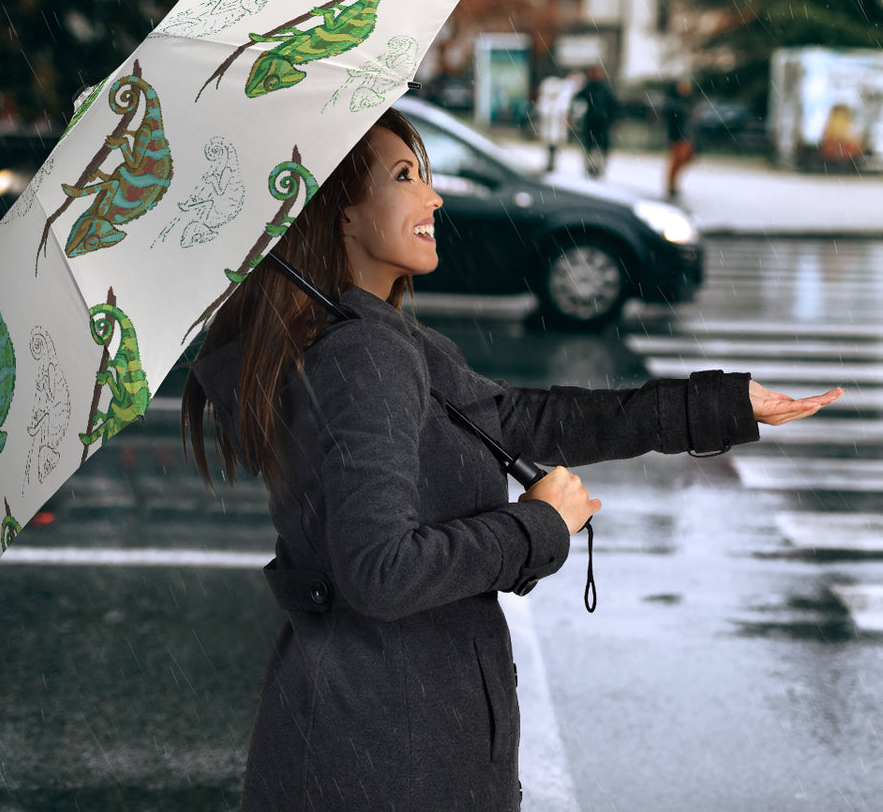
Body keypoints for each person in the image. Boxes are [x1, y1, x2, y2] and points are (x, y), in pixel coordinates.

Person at [182, 108, 842, 812]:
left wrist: (719, 406)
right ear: (340, 215)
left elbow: (527, 419)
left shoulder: (375, 341)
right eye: (405, 177)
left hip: (376, 735)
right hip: (389, 754)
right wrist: (536, 525)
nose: (433, 197)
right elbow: (380, 572)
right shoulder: (362, 356)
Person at [571, 65, 618, 179]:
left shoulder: (604, 89)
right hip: (591, 122)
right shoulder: (588, 88)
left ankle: (598, 168)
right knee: (590, 146)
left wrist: (613, 119)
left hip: (602, 123)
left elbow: (613, 105)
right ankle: (590, 167)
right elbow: (577, 101)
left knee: (600, 147)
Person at [664, 78, 695, 199]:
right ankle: (671, 185)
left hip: (686, 135)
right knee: (677, 160)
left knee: (685, 158)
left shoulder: (686, 101)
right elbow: (673, 117)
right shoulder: (673, 102)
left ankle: (673, 183)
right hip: (677, 136)